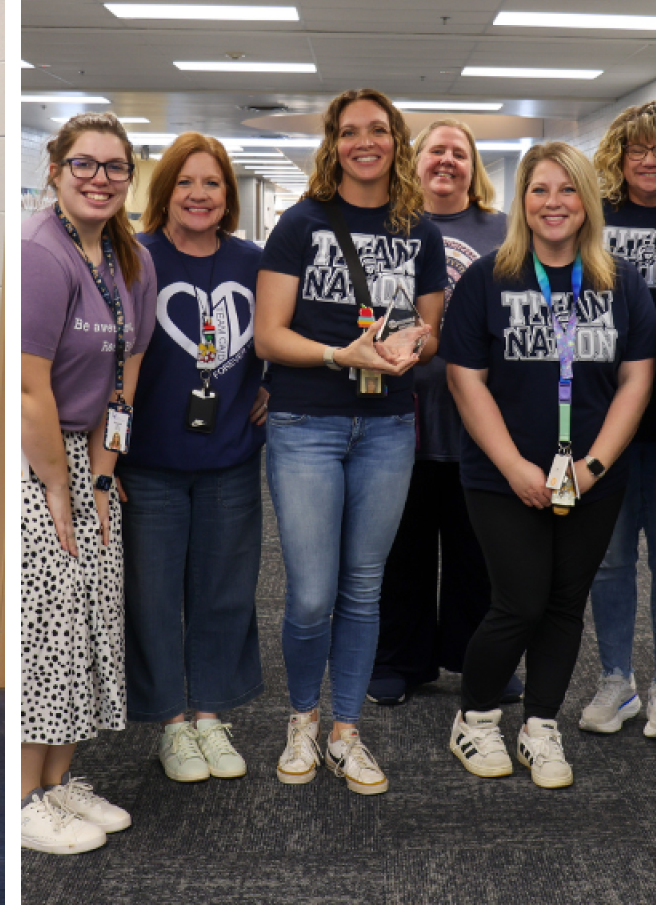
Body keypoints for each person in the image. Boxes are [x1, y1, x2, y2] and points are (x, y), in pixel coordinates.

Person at [440, 142, 656, 788]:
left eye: (567, 190)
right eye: (539, 190)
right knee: (519, 601)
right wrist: (513, 467)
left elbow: (636, 383)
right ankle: (475, 720)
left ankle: (541, 726)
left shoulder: (620, 281)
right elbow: (465, 380)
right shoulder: (488, 277)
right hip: (502, 475)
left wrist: (591, 466)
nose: (553, 202)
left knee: (566, 603)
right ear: (523, 201)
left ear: (586, 199)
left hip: (591, 476)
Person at [254, 89, 444, 793]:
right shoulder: (300, 225)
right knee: (309, 593)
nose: (366, 141)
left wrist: (411, 346)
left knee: (365, 589)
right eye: (349, 131)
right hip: (307, 424)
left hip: (388, 426)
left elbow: (431, 330)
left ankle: (346, 730)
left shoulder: (417, 230)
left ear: (396, 141)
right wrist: (342, 356)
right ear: (332, 144)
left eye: (379, 130)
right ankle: (301, 718)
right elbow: (269, 334)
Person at [20, 113, 157, 853]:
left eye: (114, 167)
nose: (99, 178)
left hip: (92, 459)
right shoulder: (41, 254)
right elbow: (30, 392)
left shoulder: (130, 260)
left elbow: (127, 374)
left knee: (92, 623)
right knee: (48, 630)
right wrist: (59, 488)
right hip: (41, 459)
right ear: (55, 171)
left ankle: (60, 782)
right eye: (84, 164)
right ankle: (23, 797)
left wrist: (105, 474)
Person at [118, 132, 266, 783]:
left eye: (212, 183)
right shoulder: (135, 258)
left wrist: (272, 386)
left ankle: (211, 713)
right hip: (150, 461)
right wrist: (110, 459)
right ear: (165, 190)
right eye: (186, 182)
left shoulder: (254, 262)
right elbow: (109, 364)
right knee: (152, 594)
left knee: (225, 591)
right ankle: (172, 724)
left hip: (230, 457)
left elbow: (286, 334)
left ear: (228, 196)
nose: (199, 195)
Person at [370, 118, 518, 708]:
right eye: (436, 151)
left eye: (459, 153)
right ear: (416, 160)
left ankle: (478, 660)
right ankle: (400, 661)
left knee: (477, 553)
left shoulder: (506, 230)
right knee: (401, 550)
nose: (447, 161)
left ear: (473, 166)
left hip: (480, 422)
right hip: (401, 417)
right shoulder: (390, 226)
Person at [581, 101, 656, 740]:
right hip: (608, 412)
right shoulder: (596, 220)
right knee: (609, 559)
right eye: (637, 151)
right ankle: (616, 680)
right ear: (619, 159)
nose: (650, 161)